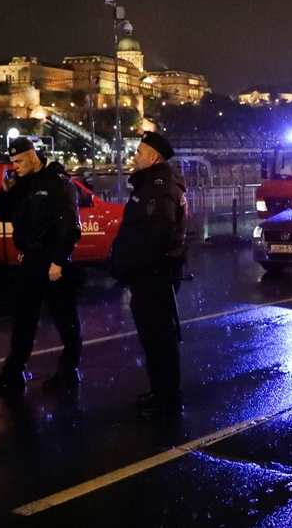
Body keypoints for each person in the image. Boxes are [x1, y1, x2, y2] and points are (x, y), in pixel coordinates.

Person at [0, 137, 83, 396]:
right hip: (30, 258)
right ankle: (14, 373)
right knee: (23, 319)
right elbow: (3, 215)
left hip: (53, 260)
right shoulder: (22, 183)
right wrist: (5, 191)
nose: (15, 166)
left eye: (19, 161)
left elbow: (70, 226)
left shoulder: (58, 182)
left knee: (65, 318)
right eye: (12, 162)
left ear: (33, 156)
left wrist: (59, 261)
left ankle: (69, 370)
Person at [111, 131, 188, 418]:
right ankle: (160, 391)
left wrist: (136, 265)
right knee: (154, 339)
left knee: (160, 339)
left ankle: (167, 398)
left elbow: (157, 235)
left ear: (153, 157)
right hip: (149, 273)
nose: (134, 157)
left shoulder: (158, 186)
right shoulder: (153, 184)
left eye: (139, 152)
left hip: (154, 274)